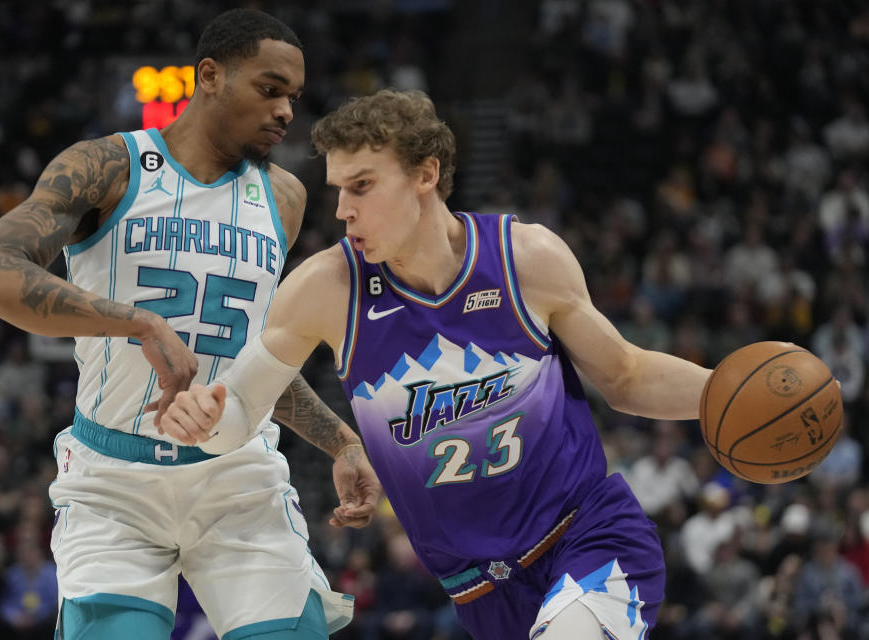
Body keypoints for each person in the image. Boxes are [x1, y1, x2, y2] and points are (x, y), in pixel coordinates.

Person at [159, 89, 715, 639]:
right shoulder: (326, 288)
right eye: (338, 189)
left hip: (589, 538)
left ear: (425, 175)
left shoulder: (525, 258)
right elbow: (239, 410)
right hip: (479, 590)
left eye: (362, 186)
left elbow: (626, 377)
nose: (342, 209)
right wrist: (205, 425)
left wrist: (726, 392)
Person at [0, 9, 380, 639]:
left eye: (292, 97)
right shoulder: (108, 166)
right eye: (269, 90)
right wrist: (138, 322)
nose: (287, 112)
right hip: (112, 485)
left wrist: (343, 441)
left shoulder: (285, 198)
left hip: (238, 481)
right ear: (209, 75)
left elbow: (250, 364)